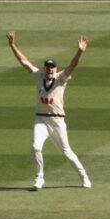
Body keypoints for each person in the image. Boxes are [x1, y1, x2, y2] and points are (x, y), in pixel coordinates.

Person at [6, 31, 91, 190]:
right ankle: (39, 178)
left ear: (56, 69)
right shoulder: (38, 76)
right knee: (36, 147)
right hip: (41, 120)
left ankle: (84, 177)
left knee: (67, 151)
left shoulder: (61, 78)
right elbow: (24, 62)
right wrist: (12, 45)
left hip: (57, 121)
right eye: (48, 67)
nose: (50, 70)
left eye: (52, 68)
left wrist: (80, 51)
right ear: (44, 69)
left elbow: (72, 65)